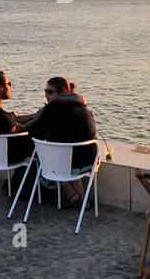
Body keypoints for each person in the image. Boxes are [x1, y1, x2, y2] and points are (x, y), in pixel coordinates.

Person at [26, 77, 97, 205]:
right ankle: (81, 199)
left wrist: (36, 118)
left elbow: (35, 133)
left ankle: (71, 194)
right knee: (63, 155)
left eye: (49, 91)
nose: (46, 95)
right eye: (45, 91)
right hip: (89, 161)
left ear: (62, 91)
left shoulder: (53, 109)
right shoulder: (83, 108)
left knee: (49, 157)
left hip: (68, 163)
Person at [0, 69, 39, 187]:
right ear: (0, 87)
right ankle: (31, 189)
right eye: (8, 83)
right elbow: (24, 128)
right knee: (39, 142)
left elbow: (11, 120)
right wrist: (39, 118)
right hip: (7, 157)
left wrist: (32, 116)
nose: (10, 86)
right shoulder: (1, 117)